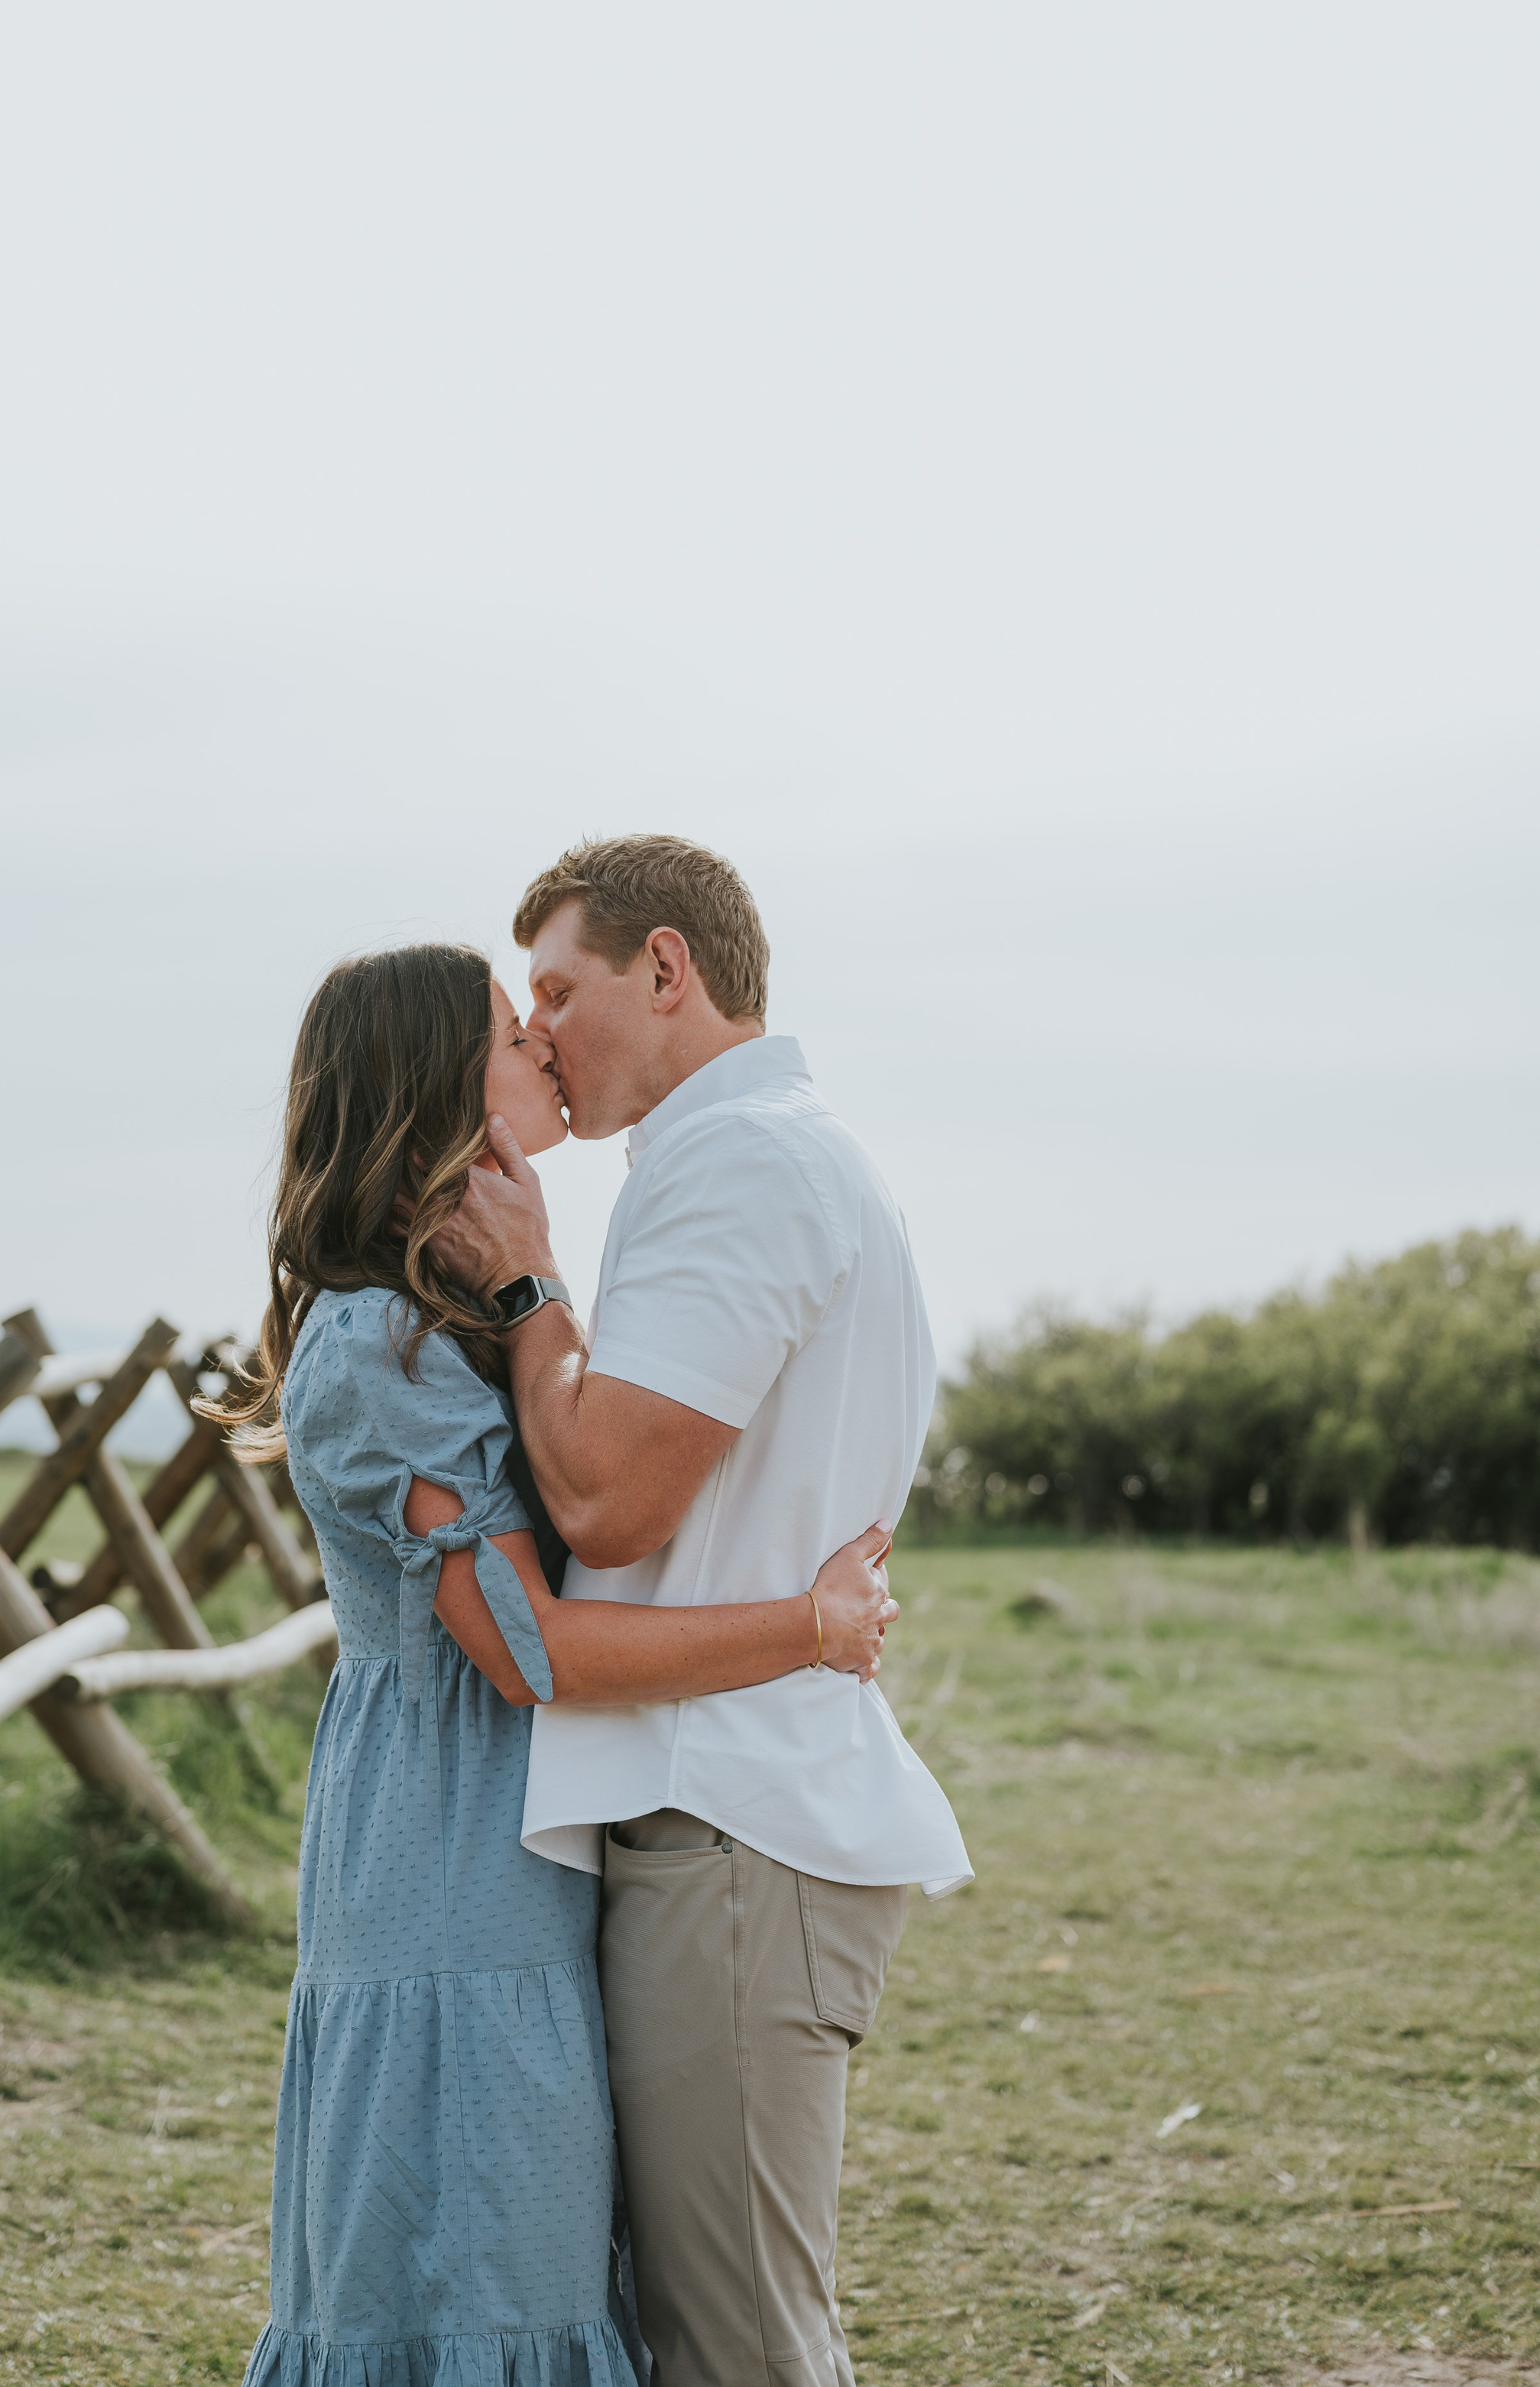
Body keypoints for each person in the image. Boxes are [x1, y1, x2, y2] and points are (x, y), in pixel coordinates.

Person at [226, 939, 898, 2387]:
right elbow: (530, 1648)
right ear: (428, 1086)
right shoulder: (375, 1349)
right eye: (502, 1026)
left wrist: (536, 1289)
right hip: (443, 1868)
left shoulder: (451, 1312)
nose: (539, 1041)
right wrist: (813, 1625)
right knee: (474, 2277)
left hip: (509, 1846)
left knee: (526, 2268)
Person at [430, 835, 974, 2387]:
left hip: (732, 1822)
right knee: (716, 2331)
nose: (534, 1035)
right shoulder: (746, 1155)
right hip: (720, 1813)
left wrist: (532, 1291)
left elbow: (607, 1500)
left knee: (734, 2351)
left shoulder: (743, 1163)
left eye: (558, 988)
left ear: (665, 969)